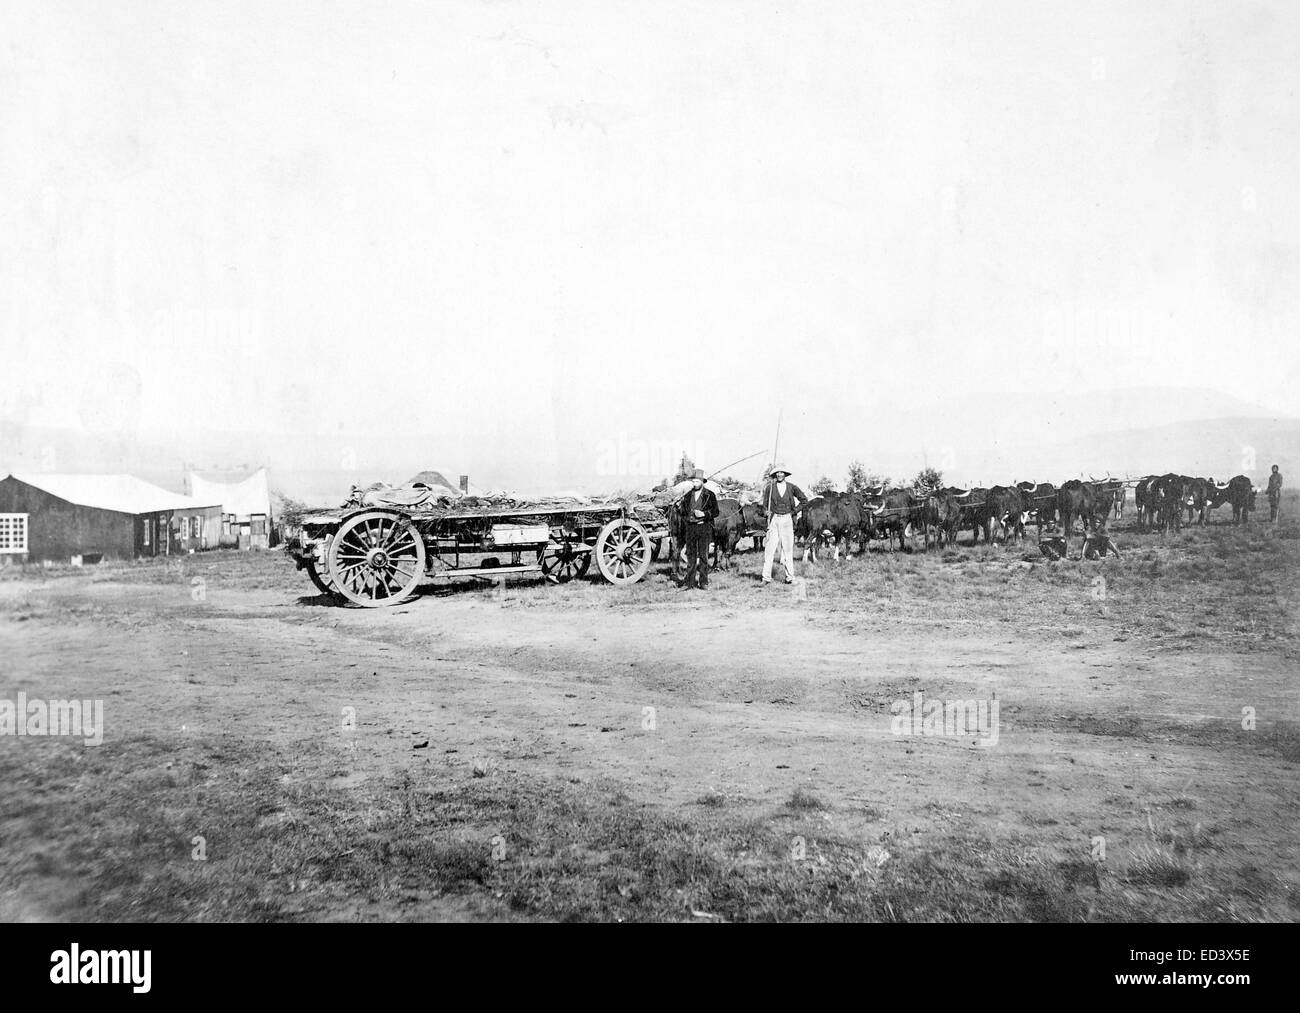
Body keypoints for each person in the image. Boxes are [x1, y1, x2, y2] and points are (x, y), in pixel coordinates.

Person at [761, 464, 808, 584]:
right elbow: (764, 505)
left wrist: (794, 511)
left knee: (787, 550)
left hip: (787, 520)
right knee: (770, 550)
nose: (779, 474)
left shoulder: (792, 487)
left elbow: (804, 500)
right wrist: (765, 511)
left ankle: (790, 577)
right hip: (774, 520)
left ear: (785, 474)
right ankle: (766, 578)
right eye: (777, 473)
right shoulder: (770, 488)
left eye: (782, 472)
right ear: (775, 475)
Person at [677, 469, 718, 590]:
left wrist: (704, 514)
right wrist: (683, 512)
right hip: (690, 529)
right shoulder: (687, 495)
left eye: (696, 481)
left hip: (704, 528)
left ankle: (703, 582)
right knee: (691, 557)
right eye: (693, 481)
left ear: (702, 481)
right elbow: (683, 512)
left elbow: (715, 512)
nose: (694, 483)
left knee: (704, 557)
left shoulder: (710, 495)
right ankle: (690, 583)